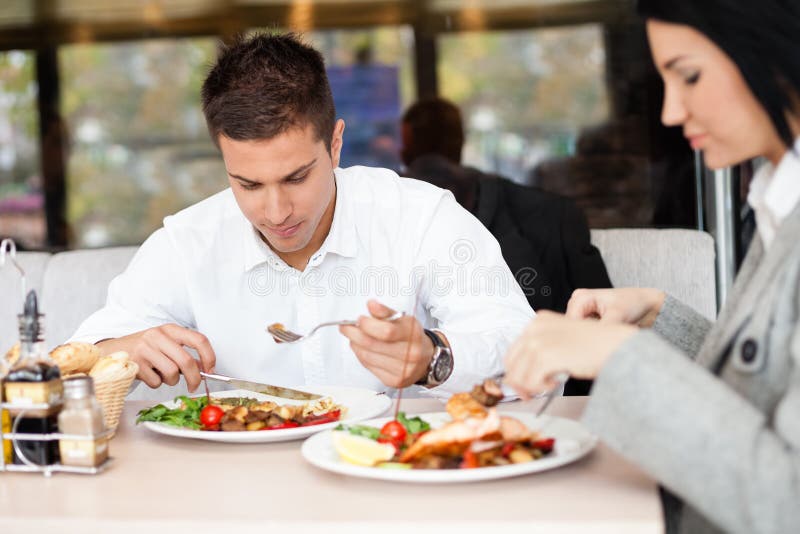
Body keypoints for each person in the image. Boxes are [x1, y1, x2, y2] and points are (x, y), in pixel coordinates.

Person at [69, 33, 533, 398]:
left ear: (335, 144)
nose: (275, 212)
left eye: (295, 178)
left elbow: (527, 352)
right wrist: (118, 350)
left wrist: (434, 359)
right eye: (248, 185)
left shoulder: (420, 215)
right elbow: (63, 374)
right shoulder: (187, 241)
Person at [503, 1, 800, 533]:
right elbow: (770, 382)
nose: (670, 112)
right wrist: (659, 317)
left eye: (688, 75)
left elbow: (786, 503)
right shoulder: (779, 200)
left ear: (773, 48)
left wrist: (620, 356)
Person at [401, 97, 611, 395]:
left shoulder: (551, 217)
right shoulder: (552, 215)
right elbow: (602, 337)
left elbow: (605, 337)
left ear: (405, 149)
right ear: (461, 142)